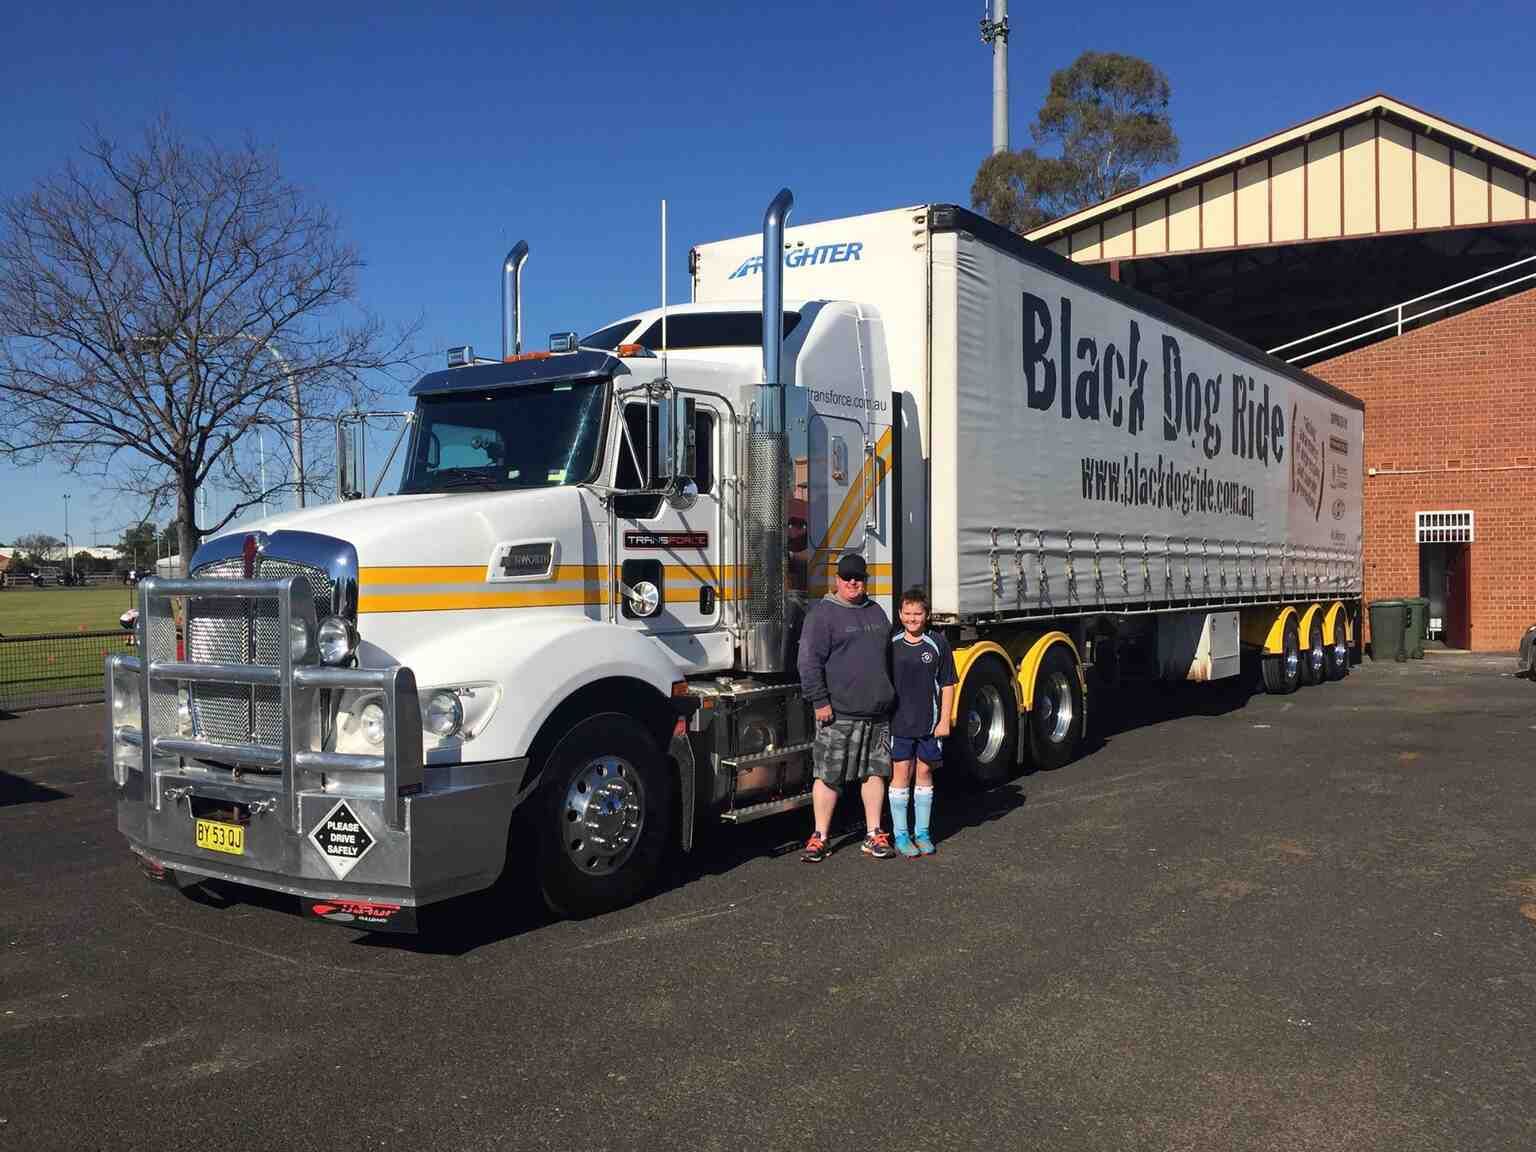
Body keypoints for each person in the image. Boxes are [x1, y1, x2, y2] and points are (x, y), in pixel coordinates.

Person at [797, 552, 896, 861]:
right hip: (838, 713)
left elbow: (889, 659)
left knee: (876, 772)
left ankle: (873, 833)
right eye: (848, 578)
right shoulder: (822, 615)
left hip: (876, 714)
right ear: (837, 580)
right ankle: (820, 836)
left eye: (859, 578)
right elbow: (808, 663)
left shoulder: (877, 612)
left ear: (865, 581)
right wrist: (820, 701)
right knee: (828, 775)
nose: (854, 582)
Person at [887, 586, 958, 857]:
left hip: (930, 724)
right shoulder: (892, 644)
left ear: (926, 615)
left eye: (918, 613)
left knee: (925, 774)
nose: (912, 618)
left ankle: (923, 833)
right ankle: (902, 836)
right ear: (900, 614)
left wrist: (945, 720)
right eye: (907, 613)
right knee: (900, 775)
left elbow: (948, 684)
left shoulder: (938, 643)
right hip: (899, 723)